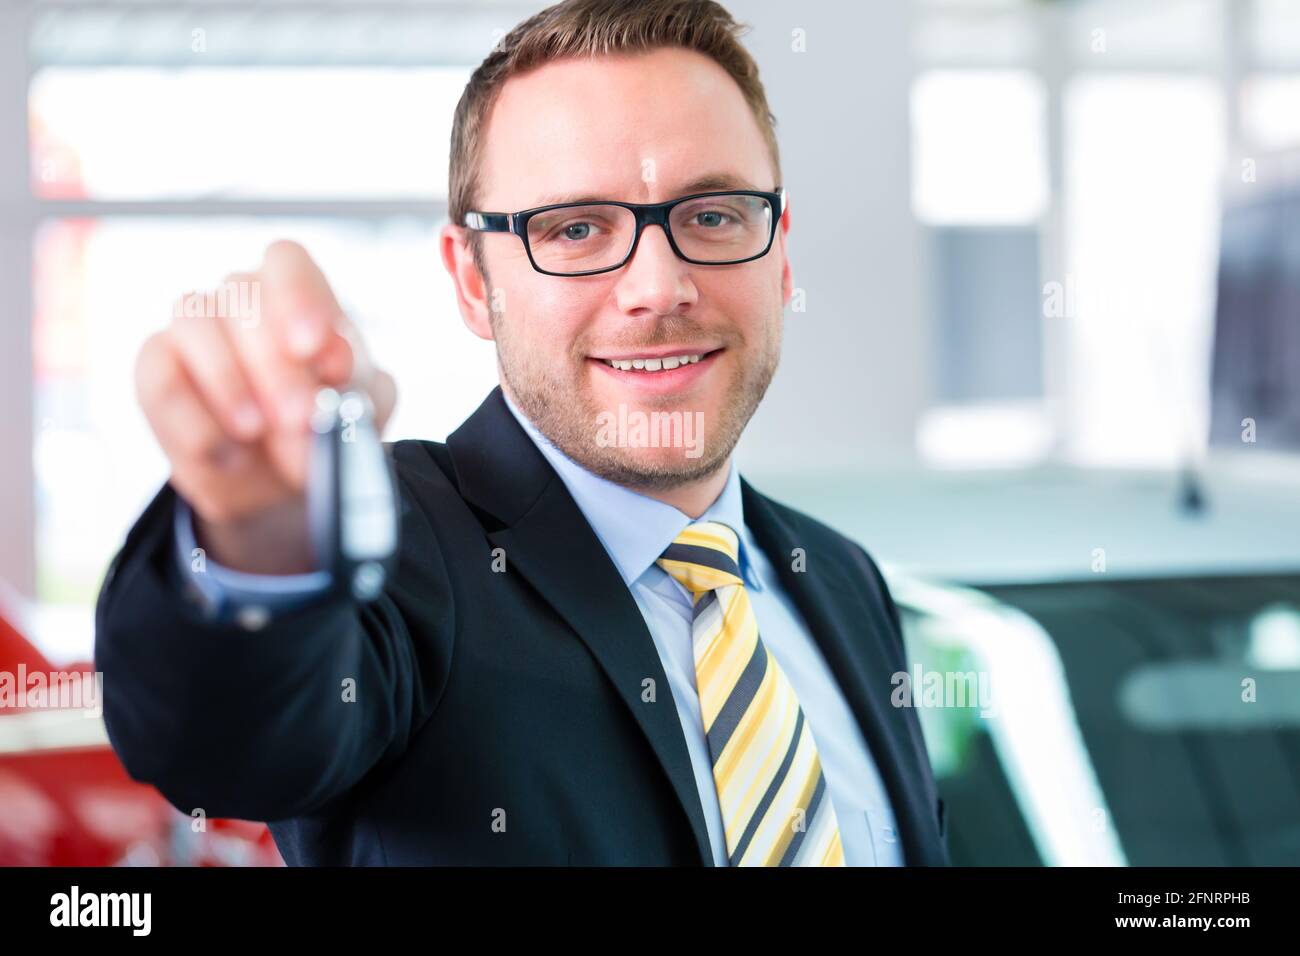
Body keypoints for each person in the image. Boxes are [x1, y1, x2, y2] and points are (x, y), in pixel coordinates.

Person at [95, 0, 949, 866]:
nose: (659, 286)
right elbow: (228, 741)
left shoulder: (842, 580)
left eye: (713, 215)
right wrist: (260, 556)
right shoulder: (402, 555)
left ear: (781, 253)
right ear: (473, 281)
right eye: (576, 229)